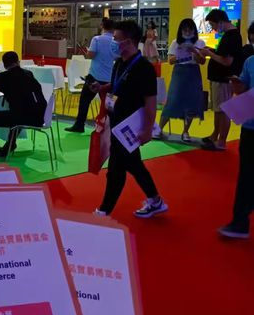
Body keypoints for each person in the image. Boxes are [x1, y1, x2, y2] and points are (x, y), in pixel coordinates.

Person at [91, 20, 167, 218]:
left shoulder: (144, 68)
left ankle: (104, 211)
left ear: (130, 41)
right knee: (133, 164)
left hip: (131, 126)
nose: (113, 42)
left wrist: (147, 130)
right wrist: (102, 87)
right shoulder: (119, 63)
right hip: (116, 122)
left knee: (116, 169)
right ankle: (155, 200)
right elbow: (117, 85)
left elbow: (150, 102)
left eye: (117, 39)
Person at [0, 51, 46, 161]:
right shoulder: (28, 74)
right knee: (17, 112)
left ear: (4, 65)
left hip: (23, 117)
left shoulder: (2, 77)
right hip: (40, 116)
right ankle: (9, 145)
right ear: (18, 62)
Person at [218, 55, 254, 239]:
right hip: (250, 126)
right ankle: (240, 222)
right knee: (246, 176)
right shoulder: (250, 61)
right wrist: (238, 86)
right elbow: (243, 88)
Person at [155, 19, 206, 143]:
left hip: (194, 72)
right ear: (181, 31)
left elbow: (202, 61)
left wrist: (194, 51)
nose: (187, 32)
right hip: (179, 72)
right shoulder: (175, 42)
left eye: (190, 29)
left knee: (192, 102)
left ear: (194, 30)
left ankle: (186, 131)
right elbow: (170, 61)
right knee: (172, 100)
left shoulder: (200, 43)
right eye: (185, 30)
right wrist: (181, 55)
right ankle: (159, 129)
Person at [199, 9, 243, 151]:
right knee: (218, 110)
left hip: (223, 79)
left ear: (221, 22)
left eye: (213, 25)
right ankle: (215, 136)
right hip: (219, 78)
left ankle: (221, 141)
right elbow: (223, 55)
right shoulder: (228, 36)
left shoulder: (232, 37)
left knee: (223, 111)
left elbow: (227, 61)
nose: (213, 28)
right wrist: (212, 50)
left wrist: (209, 53)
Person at [66, 18, 116, 133]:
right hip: (110, 78)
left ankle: (79, 124)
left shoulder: (96, 39)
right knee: (109, 105)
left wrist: (88, 52)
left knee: (84, 101)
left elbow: (91, 55)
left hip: (94, 76)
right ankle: (109, 127)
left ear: (102, 26)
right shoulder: (115, 42)